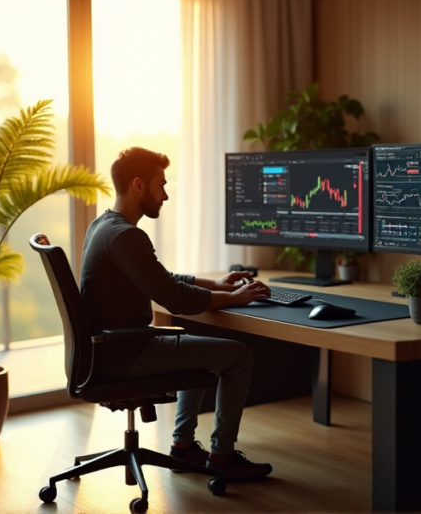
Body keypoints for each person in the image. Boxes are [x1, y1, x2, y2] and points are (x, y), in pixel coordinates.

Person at [78, 146, 274, 482]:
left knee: (196, 349)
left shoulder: (103, 226)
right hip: (127, 354)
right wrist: (236, 300)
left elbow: (162, 280)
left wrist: (219, 285)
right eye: (161, 185)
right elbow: (176, 299)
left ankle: (183, 447)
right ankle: (223, 456)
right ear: (139, 185)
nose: (165, 195)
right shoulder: (127, 236)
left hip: (109, 350)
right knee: (239, 356)